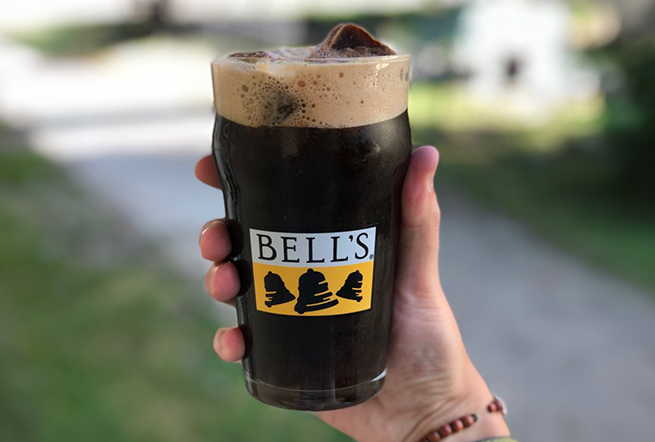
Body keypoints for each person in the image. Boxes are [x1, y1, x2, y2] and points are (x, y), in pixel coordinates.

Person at [196, 146, 515, 442]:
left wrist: (440, 410)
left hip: (387, 381)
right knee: (230, 276)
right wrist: (438, 413)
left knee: (232, 276)